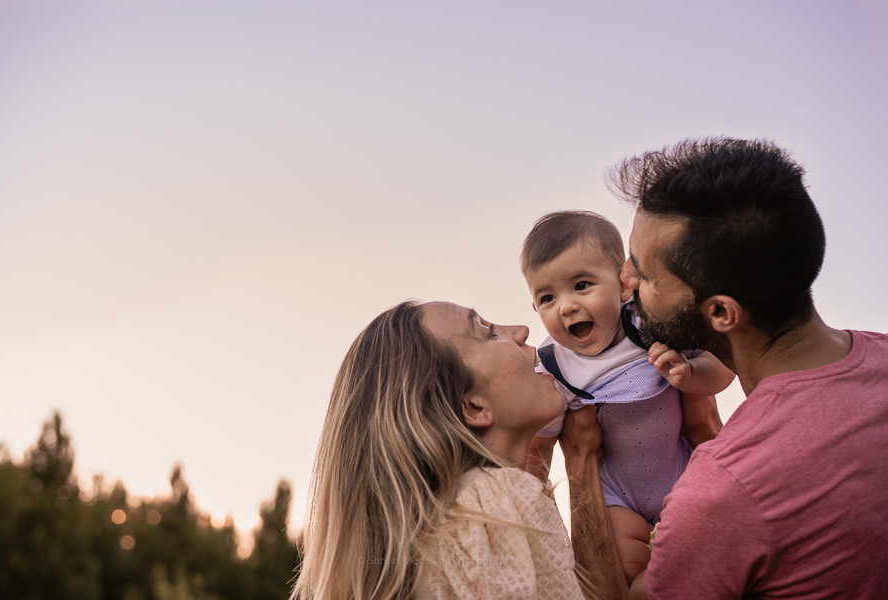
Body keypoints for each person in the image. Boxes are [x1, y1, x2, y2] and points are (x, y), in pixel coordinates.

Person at [564, 136, 888, 599]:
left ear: (720, 314)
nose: (625, 281)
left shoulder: (723, 490)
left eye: (646, 275)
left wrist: (579, 464)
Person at [290, 301, 628, 599]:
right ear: (474, 407)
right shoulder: (492, 506)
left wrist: (580, 455)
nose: (523, 331)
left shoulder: (440, 527)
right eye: (488, 333)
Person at [520, 210, 733, 583]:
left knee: (703, 557)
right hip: (616, 494)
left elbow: (725, 365)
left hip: (681, 472)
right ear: (536, 309)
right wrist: (530, 501)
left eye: (582, 285)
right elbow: (540, 448)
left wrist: (692, 374)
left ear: (622, 286)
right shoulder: (554, 369)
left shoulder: (649, 324)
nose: (566, 306)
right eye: (548, 297)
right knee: (629, 574)